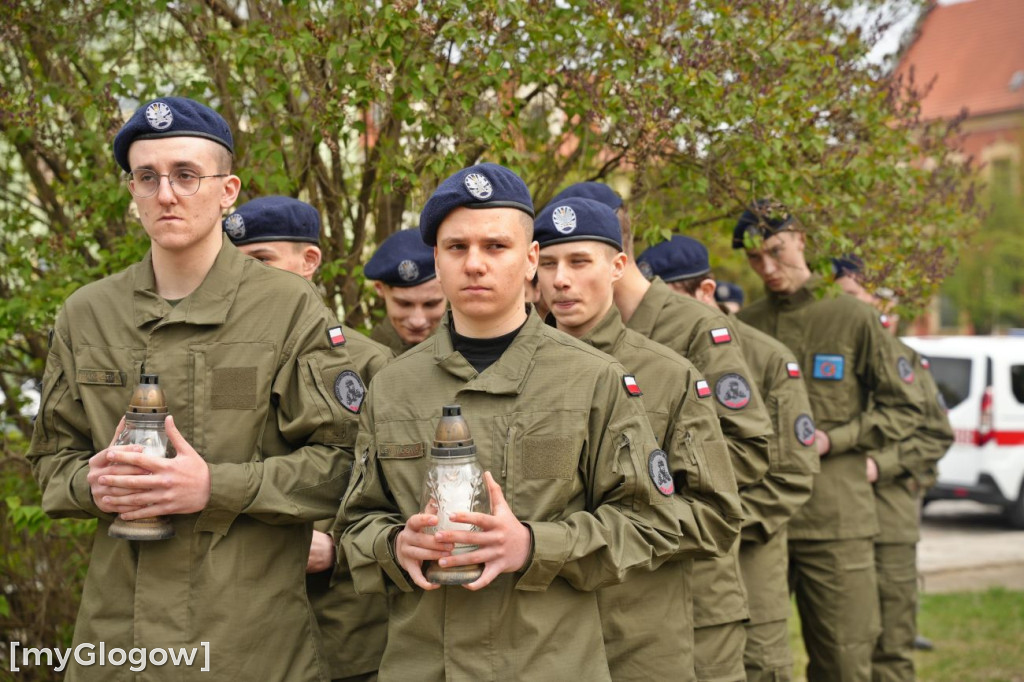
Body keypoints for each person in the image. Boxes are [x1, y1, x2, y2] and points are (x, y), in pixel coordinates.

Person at [27, 97, 360, 681]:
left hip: (249, 646)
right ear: (131, 190)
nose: (166, 194)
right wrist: (93, 483)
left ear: (228, 190)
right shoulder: (88, 315)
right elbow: (52, 463)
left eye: (186, 175)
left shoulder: (287, 309)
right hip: (116, 644)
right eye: (147, 177)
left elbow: (342, 467)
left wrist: (215, 485)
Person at [336, 163, 689, 681]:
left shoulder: (593, 379)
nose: (475, 264)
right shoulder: (392, 387)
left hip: (548, 664)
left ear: (530, 261)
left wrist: (533, 545)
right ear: (436, 258)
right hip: (424, 664)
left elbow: (650, 522)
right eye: (457, 248)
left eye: (495, 247)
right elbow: (355, 524)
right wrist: (395, 545)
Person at [552, 181, 774, 682]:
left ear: (617, 252)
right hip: (581, 602)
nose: (563, 278)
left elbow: (746, 447)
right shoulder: (550, 341)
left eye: (580, 257)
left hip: (686, 585)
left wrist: (644, 494)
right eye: (551, 261)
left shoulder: (693, 331)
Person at [734, 201, 922, 682]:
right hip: (762, 519)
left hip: (835, 521)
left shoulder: (853, 317)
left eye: (776, 251)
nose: (768, 269)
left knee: (843, 658)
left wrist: (835, 440)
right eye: (756, 259)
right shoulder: (745, 326)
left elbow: (904, 407)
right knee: (755, 662)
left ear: (800, 239)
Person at [223, 195, 392, 681]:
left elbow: (398, 489)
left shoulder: (367, 363)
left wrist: (337, 547)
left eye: (262, 261)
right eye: (233, 265)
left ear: (309, 261)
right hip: (245, 616)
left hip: (342, 625)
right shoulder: (226, 362)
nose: (245, 278)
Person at [639, 235, 820, 682]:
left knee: (759, 666)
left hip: (750, 549)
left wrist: (722, 524)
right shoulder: (645, 353)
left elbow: (791, 475)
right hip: (681, 562)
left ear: (705, 293)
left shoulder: (766, 358)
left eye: (672, 301)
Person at [833, 256, 953, 682]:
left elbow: (936, 435)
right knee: (842, 644)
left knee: (892, 644)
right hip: (836, 518)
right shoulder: (831, 357)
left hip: (889, 519)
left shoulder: (908, 363)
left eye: (857, 298)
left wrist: (879, 465)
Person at [364, 228, 446, 355]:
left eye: (431, 304)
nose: (417, 321)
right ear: (380, 289)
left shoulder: (471, 355)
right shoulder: (359, 362)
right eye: (404, 304)